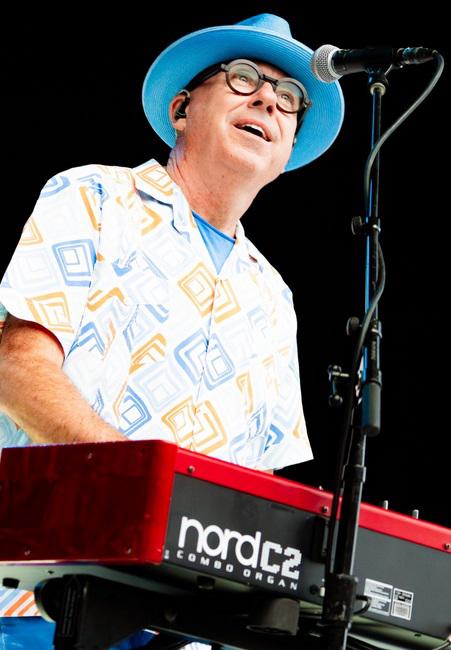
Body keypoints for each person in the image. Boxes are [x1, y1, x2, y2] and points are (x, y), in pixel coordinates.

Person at [0, 13, 344, 650]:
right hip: (36, 596)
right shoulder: (95, 196)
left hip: (183, 628)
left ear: (287, 149)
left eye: (289, 97)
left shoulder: (274, 295)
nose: (269, 100)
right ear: (182, 109)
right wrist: (141, 489)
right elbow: (16, 367)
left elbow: (263, 480)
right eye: (244, 78)